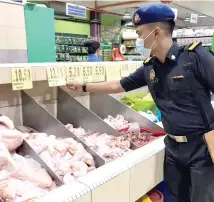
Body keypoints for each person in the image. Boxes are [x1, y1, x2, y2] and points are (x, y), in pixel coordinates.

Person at [66, 4, 214, 202]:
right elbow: (117, 85)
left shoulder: (194, 58)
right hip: (173, 147)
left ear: (157, 32)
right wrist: (84, 86)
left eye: (139, 33)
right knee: (178, 197)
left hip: (202, 147)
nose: (138, 39)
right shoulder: (149, 68)